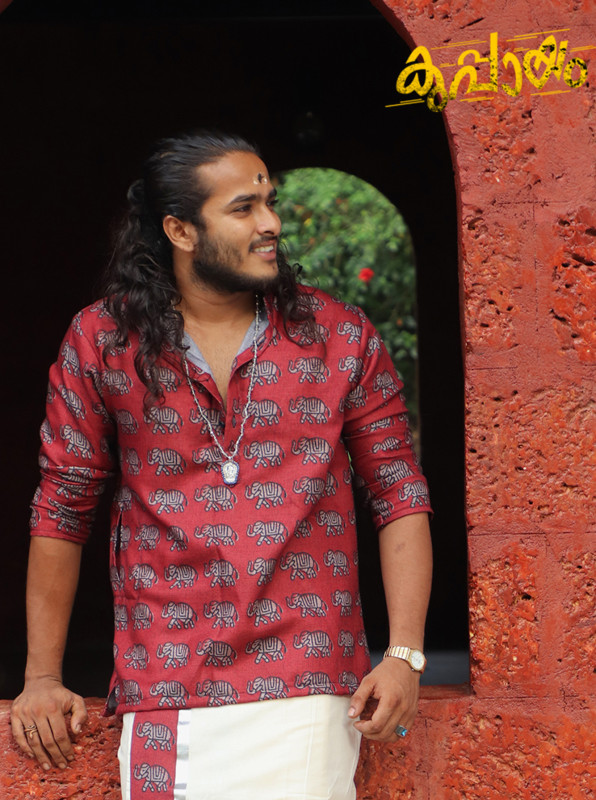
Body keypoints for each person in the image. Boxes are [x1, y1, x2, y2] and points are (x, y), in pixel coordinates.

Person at [11, 131, 433, 800]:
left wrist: (405, 655)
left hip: (306, 681)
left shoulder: (339, 336)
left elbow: (398, 492)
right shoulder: (103, 341)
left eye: (270, 202)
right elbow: (62, 504)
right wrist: (41, 676)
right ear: (180, 230)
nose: (271, 224)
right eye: (244, 208)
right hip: (162, 682)